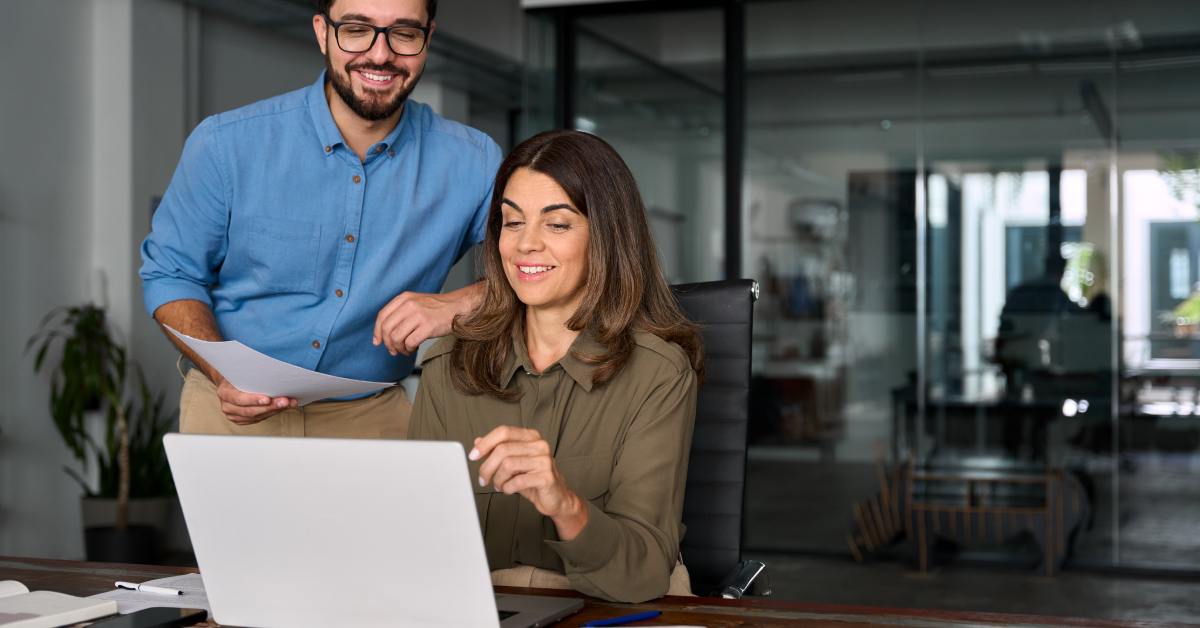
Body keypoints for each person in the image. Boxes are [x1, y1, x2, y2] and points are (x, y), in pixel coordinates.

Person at [139, 0, 501, 438]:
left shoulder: (474, 162)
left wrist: (459, 304)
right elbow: (171, 274)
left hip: (373, 416)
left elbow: (544, 270)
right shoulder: (225, 145)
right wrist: (221, 372)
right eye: (356, 29)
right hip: (227, 409)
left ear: (428, 38)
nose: (381, 54)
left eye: (404, 33)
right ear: (322, 32)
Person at [409, 130, 702, 603]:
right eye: (512, 222)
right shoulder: (449, 363)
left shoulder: (658, 374)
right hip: (478, 605)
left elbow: (644, 572)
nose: (526, 244)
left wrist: (565, 505)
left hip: (605, 607)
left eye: (557, 224)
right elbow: (417, 544)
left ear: (606, 237)